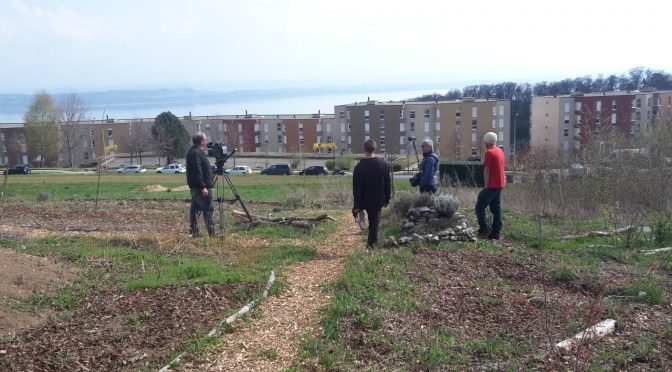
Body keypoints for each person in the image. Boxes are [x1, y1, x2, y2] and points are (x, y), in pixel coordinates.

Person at [352, 139, 392, 249]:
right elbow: (388, 184)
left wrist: (357, 205)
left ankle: (360, 218)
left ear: (364, 149)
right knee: (374, 224)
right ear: (375, 148)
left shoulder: (359, 167)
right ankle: (371, 246)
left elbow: (356, 188)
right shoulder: (383, 164)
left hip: (363, 199)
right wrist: (387, 198)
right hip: (377, 200)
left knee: (359, 214)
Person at [475, 132, 506, 240]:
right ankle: (496, 233)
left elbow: (487, 170)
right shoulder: (500, 151)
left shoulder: (489, 152)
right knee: (496, 209)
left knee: (479, 207)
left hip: (492, 185)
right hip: (500, 184)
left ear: (487, 142)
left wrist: (486, 186)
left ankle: (484, 229)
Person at [186, 131, 215, 237]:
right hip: (200, 188)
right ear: (202, 141)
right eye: (205, 139)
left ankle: (195, 232)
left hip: (197, 187)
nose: (207, 141)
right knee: (208, 209)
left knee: (194, 210)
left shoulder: (195, 152)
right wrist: (203, 187)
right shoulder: (195, 153)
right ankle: (212, 234)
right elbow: (197, 171)